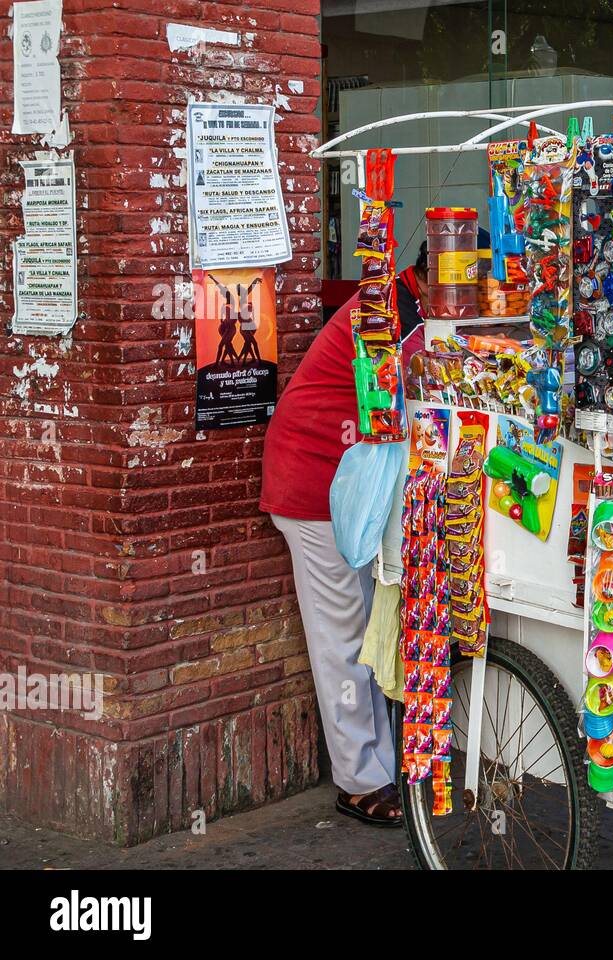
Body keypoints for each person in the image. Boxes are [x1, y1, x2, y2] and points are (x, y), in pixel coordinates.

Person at [259, 243, 431, 826]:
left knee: (371, 626)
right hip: (314, 482)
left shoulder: (417, 308)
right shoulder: (385, 311)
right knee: (345, 637)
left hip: (358, 489)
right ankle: (360, 780)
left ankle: (387, 764)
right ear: (431, 275)